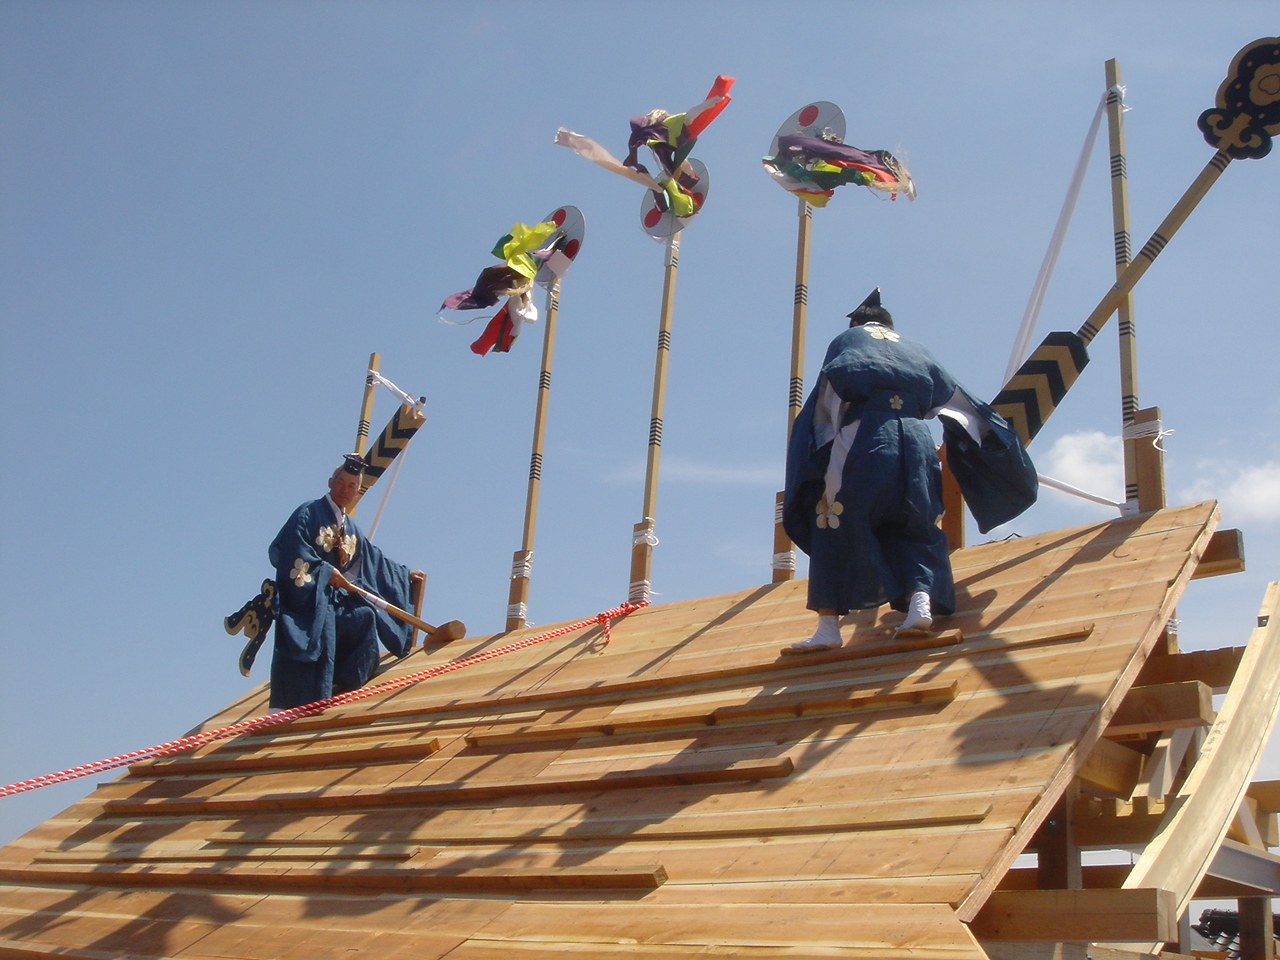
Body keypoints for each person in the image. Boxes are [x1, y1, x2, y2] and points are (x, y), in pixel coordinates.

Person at [782, 289, 1037, 653]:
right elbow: (958, 402)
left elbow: (827, 402)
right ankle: (920, 606)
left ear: (857, 323)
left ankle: (828, 628)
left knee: (833, 518)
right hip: (917, 439)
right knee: (915, 522)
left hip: (865, 435)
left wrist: (813, 458)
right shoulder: (917, 349)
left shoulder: (848, 340)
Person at [268, 455, 425, 708]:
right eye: (341, 482)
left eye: (352, 486)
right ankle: (306, 696)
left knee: (364, 615)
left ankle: (345, 682)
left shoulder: (350, 527)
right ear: (331, 482)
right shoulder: (308, 512)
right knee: (326, 623)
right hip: (309, 597)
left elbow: (373, 560)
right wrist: (323, 571)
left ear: (357, 491)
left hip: (337, 599)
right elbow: (289, 549)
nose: (345, 489)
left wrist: (404, 574)